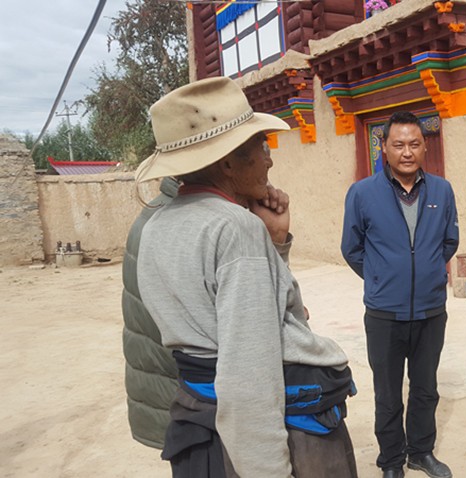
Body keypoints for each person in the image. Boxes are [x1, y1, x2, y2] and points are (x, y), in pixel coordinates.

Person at [135, 76, 358, 478]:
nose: (269, 160)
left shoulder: (157, 224)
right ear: (227, 162)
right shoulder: (235, 228)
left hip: (198, 423)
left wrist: (275, 242)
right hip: (257, 439)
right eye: (261, 146)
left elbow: (225, 316)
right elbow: (249, 372)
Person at [341, 111, 459, 478]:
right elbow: (351, 248)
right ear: (384, 148)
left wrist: (427, 274)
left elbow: (450, 240)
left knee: (425, 388)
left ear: (425, 147)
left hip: (430, 310)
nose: (407, 152)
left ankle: (420, 452)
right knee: (388, 394)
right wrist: (381, 278)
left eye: (414, 144)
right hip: (384, 314)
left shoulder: (442, 190)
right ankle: (391, 461)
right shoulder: (362, 193)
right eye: (398, 144)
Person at [122, 176, 179, 449]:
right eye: (260, 154)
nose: (268, 162)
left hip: (168, 402)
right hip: (188, 407)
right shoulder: (188, 223)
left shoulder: (157, 213)